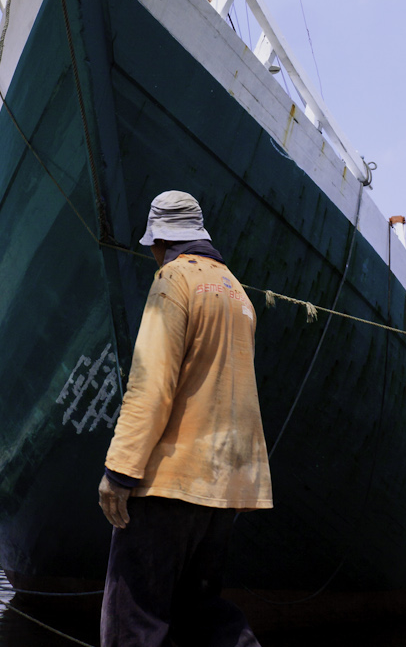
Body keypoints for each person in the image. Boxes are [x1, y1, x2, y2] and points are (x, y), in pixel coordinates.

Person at [99, 191, 272, 647]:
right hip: (221, 489)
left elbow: (150, 384)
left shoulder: (173, 279)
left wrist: (119, 471)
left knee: (132, 621)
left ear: (159, 241)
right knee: (202, 616)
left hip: (167, 485)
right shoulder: (237, 291)